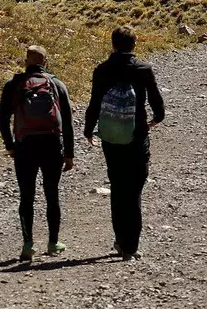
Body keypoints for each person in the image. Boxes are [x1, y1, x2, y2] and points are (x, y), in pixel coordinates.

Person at [83, 26, 166, 261]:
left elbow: (94, 102)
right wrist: (156, 119)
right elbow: (155, 99)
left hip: (111, 138)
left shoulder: (102, 70)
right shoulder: (143, 69)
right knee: (135, 190)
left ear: (113, 45)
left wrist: (89, 129)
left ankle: (120, 240)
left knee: (118, 187)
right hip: (137, 135)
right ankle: (132, 246)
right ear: (134, 45)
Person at [0, 44, 74, 263]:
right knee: (51, 193)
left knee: (26, 195)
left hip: (25, 146)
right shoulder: (57, 84)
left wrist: (10, 145)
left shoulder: (14, 84)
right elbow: (67, 122)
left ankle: (28, 244)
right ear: (45, 62)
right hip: (51, 146)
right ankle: (53, 243)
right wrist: (69, 153)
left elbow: (3, 118)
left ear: (25, 62)